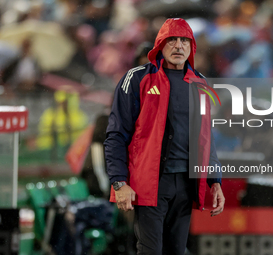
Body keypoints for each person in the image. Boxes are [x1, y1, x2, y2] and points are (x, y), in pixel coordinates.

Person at [104, 18, 225, 254]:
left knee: (177, 251)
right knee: (150, 250)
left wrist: (215, 180)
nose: (178, 46)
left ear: (192, 47)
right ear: (160, 45)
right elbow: (116, 134)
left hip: (186, 184)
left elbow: (205, 138)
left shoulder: (200, 84)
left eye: (184, 40)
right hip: (151, 183)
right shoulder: (137, 78)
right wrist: (119, 182)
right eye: (172, 40)